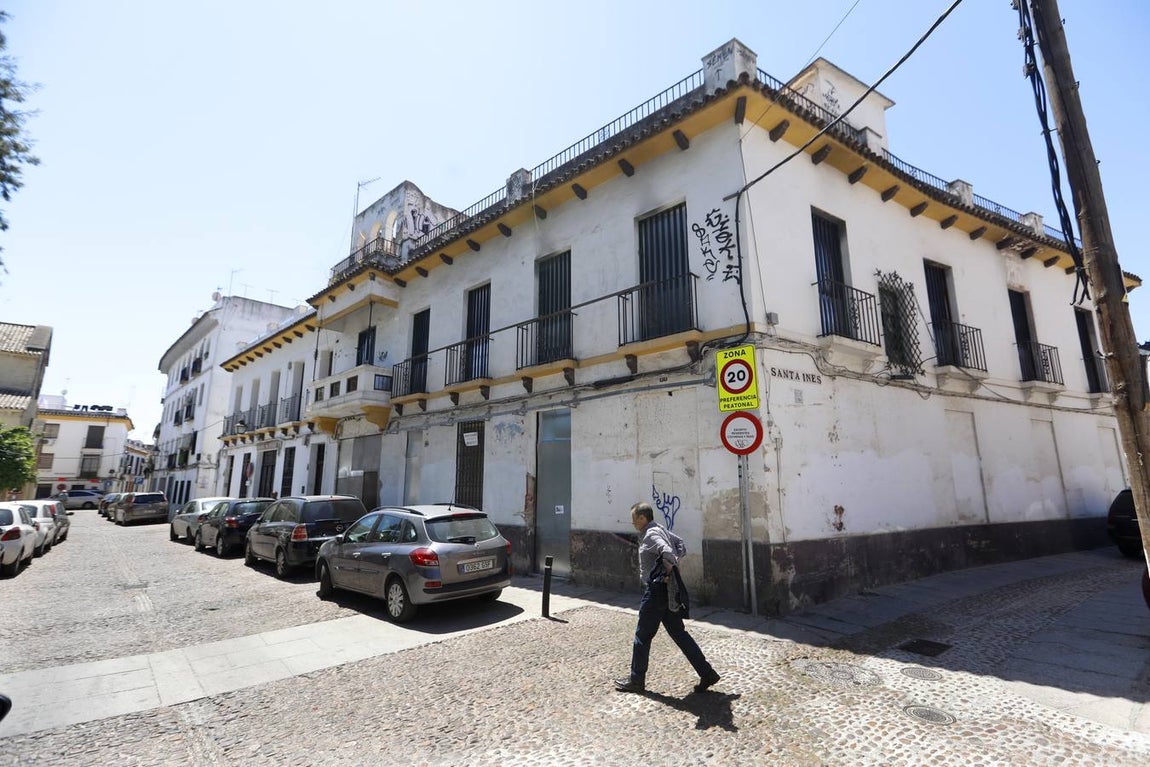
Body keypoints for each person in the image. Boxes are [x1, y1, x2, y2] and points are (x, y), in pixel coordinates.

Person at [614, 501, 721, 694]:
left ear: (642, 517)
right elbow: (681, 544)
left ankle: (637, 680)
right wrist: (670, 566)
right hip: (667, 592)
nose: (633, 523)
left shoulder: (652, 534)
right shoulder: (659, 528)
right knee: (679, 634)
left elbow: (669, 552)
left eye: (633, 520)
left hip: (655, 593)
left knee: (642, 636)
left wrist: (666, 569)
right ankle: (707, 673)